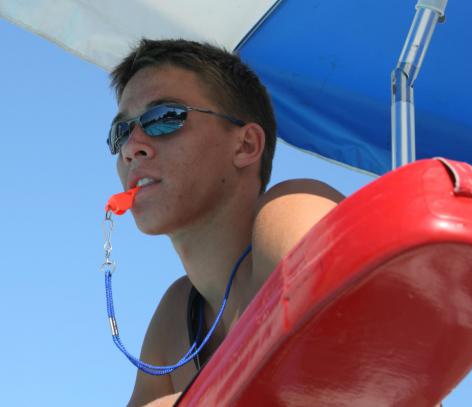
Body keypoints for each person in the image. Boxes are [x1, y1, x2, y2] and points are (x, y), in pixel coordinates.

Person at [108, 39, 345, 406]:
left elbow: (333, 371)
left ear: (246, 145)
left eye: (164, 118)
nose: (131, 146)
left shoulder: (296, 207)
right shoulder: (176, 313)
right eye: (121, 133)